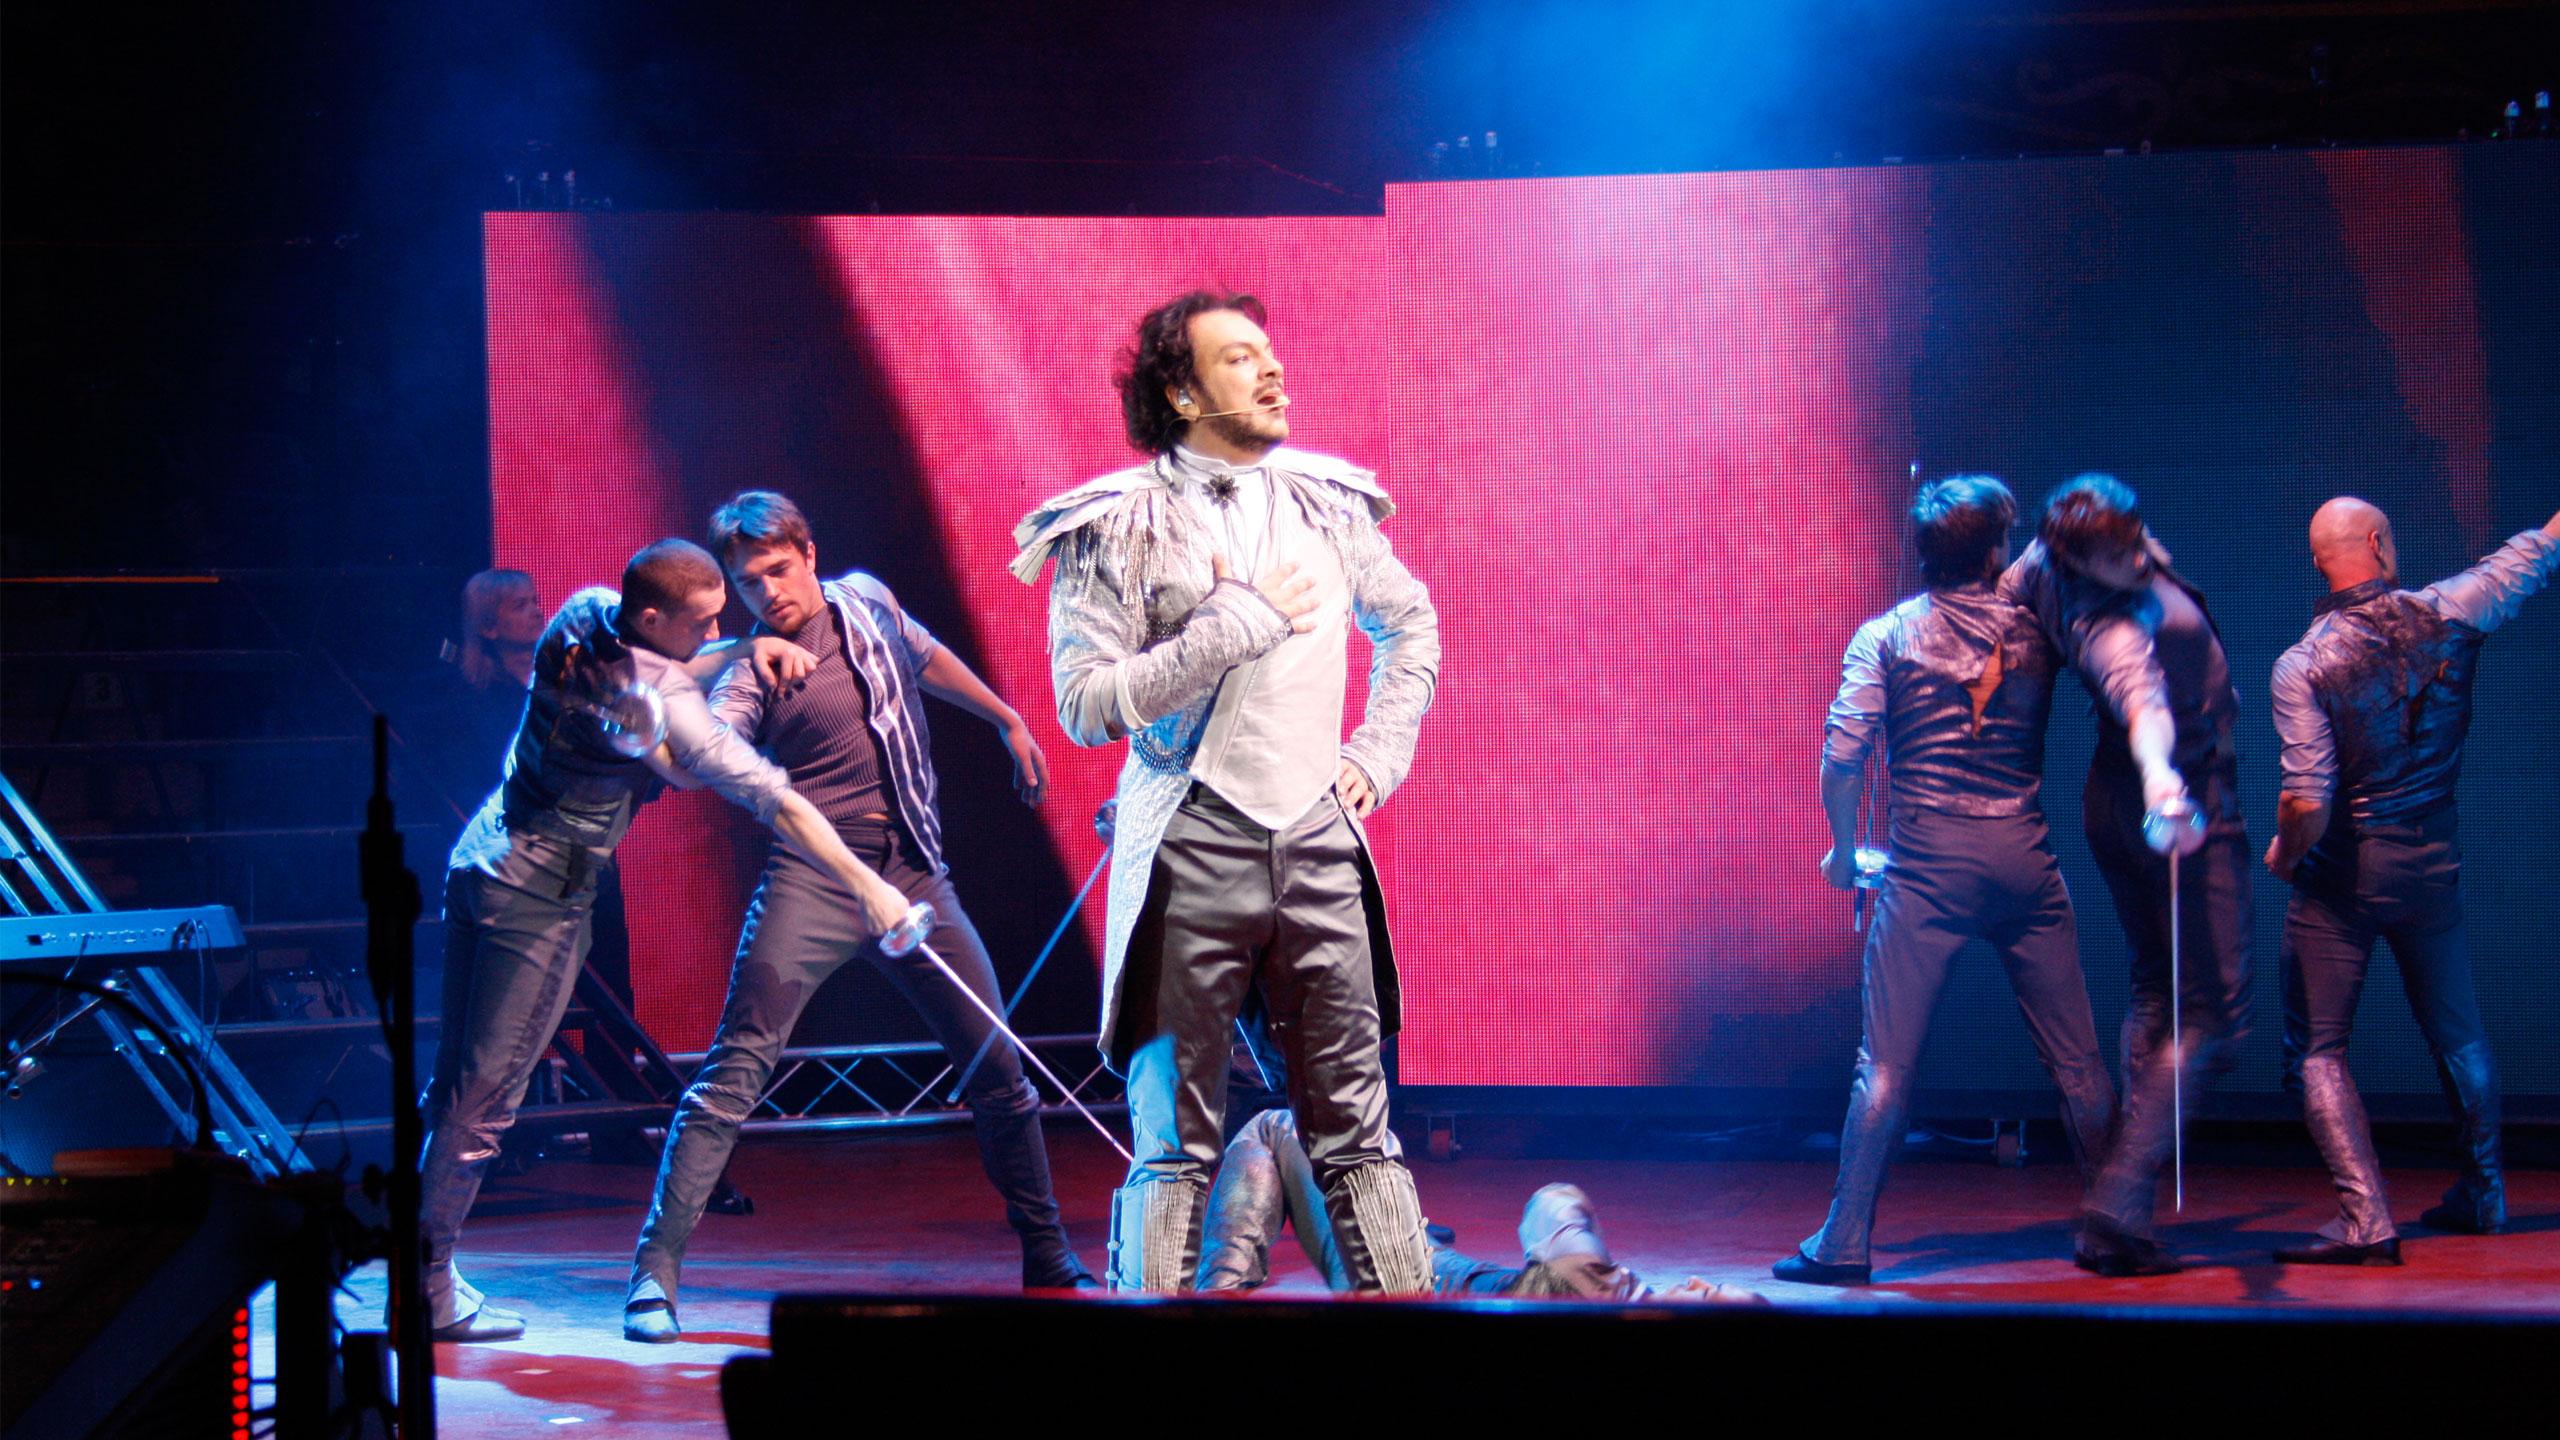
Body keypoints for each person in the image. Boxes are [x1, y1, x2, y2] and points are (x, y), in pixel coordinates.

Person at [1011, 290, 1441, 1292]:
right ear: (1182, 392)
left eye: (1267, 351)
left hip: (1317, 840)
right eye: (1240, 357)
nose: (1271, 368)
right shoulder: (1114, 522)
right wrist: (1229, 627)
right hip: (1189, 842)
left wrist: (1378, 753)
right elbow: (1084, 705)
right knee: (1173, 1144)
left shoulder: (1328, 503)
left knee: (1358, 1133)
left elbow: (1410, 624)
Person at [625, 492, 1091, 1343]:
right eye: (748, 582)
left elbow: (925, 655)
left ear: (809, 553)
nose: (768, 592)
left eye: (778, 570)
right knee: (734, 1072)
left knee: (1000, 1070)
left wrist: (1005, 719)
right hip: (813, 880)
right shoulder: (755, 670)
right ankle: (653, 1276)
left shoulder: (868, 600)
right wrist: (661, 724)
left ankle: (1049, 1255)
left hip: (913, 873)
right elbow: (712, 747)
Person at [421, 539, 911, 1342]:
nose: (718, 628)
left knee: (453, 1085)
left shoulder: (583, 612)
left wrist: (743, 648)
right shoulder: (660, 704)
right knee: (485, 1100)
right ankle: (427, 1285)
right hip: (539, 898)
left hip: (482, 857)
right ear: (653, 618)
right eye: (704, 620)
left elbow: (667, 666)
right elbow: (770, 795)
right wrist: (868, 885)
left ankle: (418, 1264)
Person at [1776, 476, 2170, 1286]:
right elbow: (2118, 666)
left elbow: (1843, 756)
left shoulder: (1886, 635)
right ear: (1994, 550)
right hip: (2023, 862)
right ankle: (2117, 1228)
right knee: (2077, 1062)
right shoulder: (2038, 625)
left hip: (1928, 872)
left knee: (1885, 1065)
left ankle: (1845, 1240)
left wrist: (1844, 850)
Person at [2263, 500, 2560, 1264]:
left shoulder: (2303, 664)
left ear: (2318, 560)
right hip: (2431, 861)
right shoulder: (2449, 610)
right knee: (2458, 1032)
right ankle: (2485, 1194)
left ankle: (2367, 1221)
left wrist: (2286, 854)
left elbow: (2308, 799)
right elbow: (2534, 554)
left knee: (2317, 1049)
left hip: (2347, 875)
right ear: (2376, 543)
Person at [2001, 475, 2249, 1277]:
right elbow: (2144, 706)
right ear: (2078, 562)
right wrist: (2163, 782)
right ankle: (2118, 1196)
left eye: (2136, 538)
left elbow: (2002, 599)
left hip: (2118, 802)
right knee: (2212, 1013)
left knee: (2157, 987)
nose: (2138, 559)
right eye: (2117, 556)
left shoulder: (2041, 562)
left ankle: (2119, 1216)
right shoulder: (2109, 626)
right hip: (2173, 803)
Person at [1199, 1108, 1754, 1302]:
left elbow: (1552, 1204)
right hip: (1430, 1272)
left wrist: (1577, 1234)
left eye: (1710, 1293)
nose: (1699, 1281)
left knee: (1276, 1127)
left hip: (1402, 1281)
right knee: (1382, 1167)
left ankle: (1216, 1294)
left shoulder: (1600, 1285)